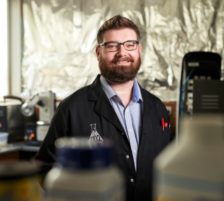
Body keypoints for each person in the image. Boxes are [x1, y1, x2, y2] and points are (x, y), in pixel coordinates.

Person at [35, 15, 172, 201]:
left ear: (139, 50)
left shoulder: (158, 110)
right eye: (112, 46)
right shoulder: (71, 109)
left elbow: (168, 168)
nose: (122, 52)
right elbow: (44, 169)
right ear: (98, 53)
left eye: (130, 44)